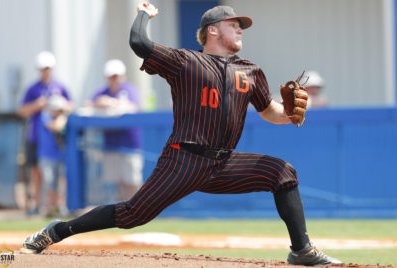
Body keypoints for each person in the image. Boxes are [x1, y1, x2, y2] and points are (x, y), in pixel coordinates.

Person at [20, 4, 342, 266]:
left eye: (240, 25)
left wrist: (288, 114)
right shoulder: (185, 62)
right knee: (132, 214)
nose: (240, 29)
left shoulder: (251, 71)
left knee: (282, 172)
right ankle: (57, 230)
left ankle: (302, 251)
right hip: (183, 160)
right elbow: (139, 44)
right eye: (233, 24)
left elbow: (268, 110)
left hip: (223, 164)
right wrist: (144, 13)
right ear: (212, 30)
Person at [17, 51, 73, 215]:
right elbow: (21, 111)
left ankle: (57, 204)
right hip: (36, 135)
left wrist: (59, 107)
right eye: (43, 68)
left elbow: (71, 106)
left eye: (48, 68)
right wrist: (37, 105)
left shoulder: (60, 87)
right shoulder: (33, 89)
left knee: (59, 172)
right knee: (37, 171)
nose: (46, 71)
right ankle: (35, 204)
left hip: (57, 137)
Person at [86, 59, 144, 202]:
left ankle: (137, 212)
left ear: (123, 76)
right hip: (111, 146)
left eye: (117, 76)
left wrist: (111, 103)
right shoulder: (102, 91)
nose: (114, 80)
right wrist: (100, 103)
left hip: (130, 145)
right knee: (114, 185)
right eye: (111, 76)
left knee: (132, 183)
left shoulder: (129, 89)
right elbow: (89, 104)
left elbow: (133, 106)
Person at [38, 95, 71, 217]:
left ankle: (59, 208)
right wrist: (63, 116)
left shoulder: (64, 118)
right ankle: (48, 209)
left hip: (61, 156)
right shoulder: (45, 116)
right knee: (49, 182)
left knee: (61, 183)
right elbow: (56, 126)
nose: (59, 112)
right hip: (46, 156)